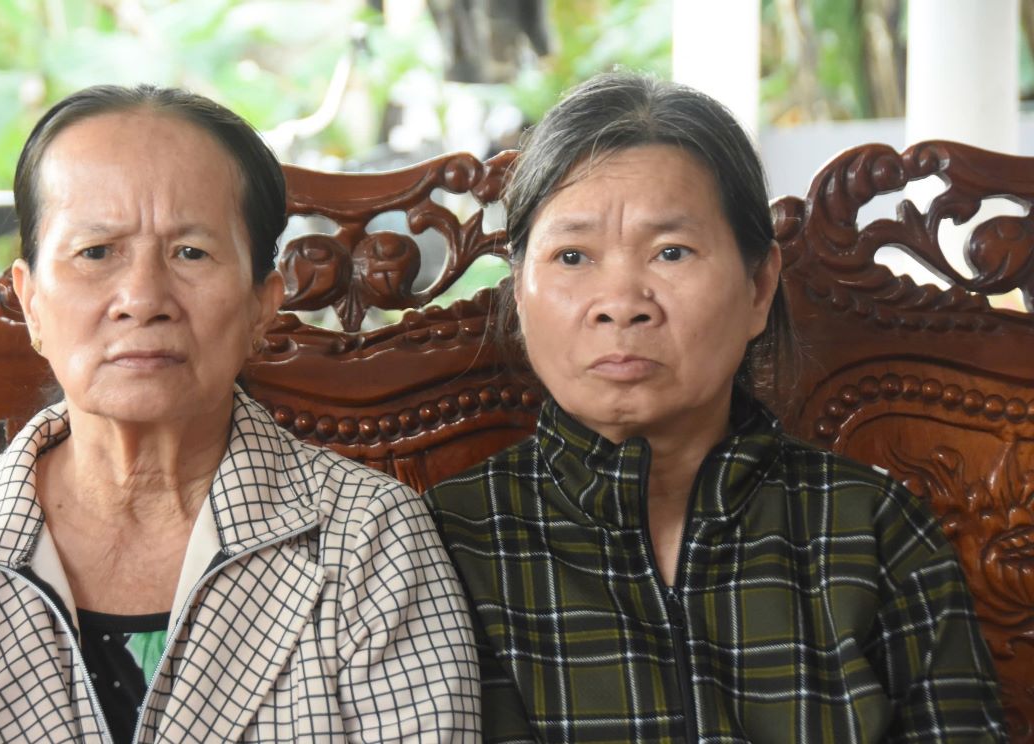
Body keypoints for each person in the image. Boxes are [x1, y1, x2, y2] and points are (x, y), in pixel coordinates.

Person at [0, 84, 480, 743]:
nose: (143, 297)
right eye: (96, 252)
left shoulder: (369, 542)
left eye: (191, 253)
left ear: (260, 307)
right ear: (31, 300)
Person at [423, 72, 1005, 743]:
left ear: (760, 286)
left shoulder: (869, 528)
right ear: (519, 296)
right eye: (573, 255)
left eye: (671, 251)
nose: (622, 302)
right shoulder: (449, 541)